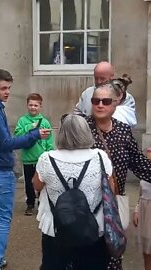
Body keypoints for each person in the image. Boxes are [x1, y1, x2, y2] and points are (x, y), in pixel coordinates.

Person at [86, 83, 151, 270]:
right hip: (88, 201)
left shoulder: (123, 130)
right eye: (96, 101)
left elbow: (137, 161)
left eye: (105, 101)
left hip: (114, 200)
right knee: (89, 248)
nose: (100, 105)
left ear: (114, 105)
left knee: (113, 246)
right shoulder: (83, 128)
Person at [0, 69, 51, 270]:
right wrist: (34, 134)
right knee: (1, 218)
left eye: (9, 88)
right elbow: (7, 142)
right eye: (3, 88)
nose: (8, 92)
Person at [33, 114, 113, 270]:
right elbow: (111, 190)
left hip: (56, 228)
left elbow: (36, 185)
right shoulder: (100, 157)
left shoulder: (46, 158)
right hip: (92, 227)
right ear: (86, 132)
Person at [14, 93, 54, 216]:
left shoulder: (45, 122)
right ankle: (30, 204)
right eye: (30, 105)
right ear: (27, 105)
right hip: (27, 158)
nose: (33, 107)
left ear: (40, 106)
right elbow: (17, 136)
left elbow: (49, 140)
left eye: (35, 105)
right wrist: (29, 127)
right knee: (29, 184)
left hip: (41, 158)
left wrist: (49, 153)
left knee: (42, 182)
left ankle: (42, 204)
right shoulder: (22, 120)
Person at [73, 62, 136, 127]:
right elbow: (77, 114)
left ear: (112, 77)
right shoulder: (87, 93)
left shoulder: (125, 99)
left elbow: (129, 122)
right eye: (96, 78)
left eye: (102, 78)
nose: (98, 81)